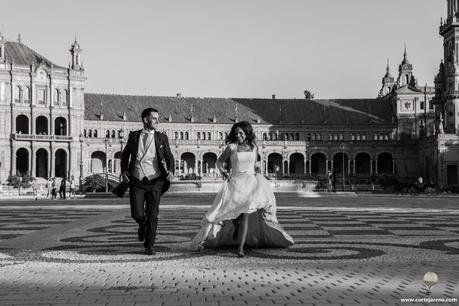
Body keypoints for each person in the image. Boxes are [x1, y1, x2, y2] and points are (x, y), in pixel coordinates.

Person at [189, 121, 294, 257]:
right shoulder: (231, 147)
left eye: (241, 133)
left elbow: (253, 164)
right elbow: (219, 162)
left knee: (245, 215)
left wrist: (256, 169)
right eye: (236, 133)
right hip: (235, 183)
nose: (238, 135)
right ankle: (235, 229)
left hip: (251, 184)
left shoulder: (253, 147)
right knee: (232, 213)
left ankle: (240, 249)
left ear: (247, 133)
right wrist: (224, 172)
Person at [121, 108, 175, 256]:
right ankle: (142, 224)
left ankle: (149, 245)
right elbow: (125, 155)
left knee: (152, 215)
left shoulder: (162, 138)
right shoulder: (134, 136)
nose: (158, 121)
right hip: (137, 180)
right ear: (145, 119)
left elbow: (169, 157)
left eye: (158, 118)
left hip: (155, 181)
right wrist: (124, 170)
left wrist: (170, 170)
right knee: (137, 213)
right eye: (154, 118)